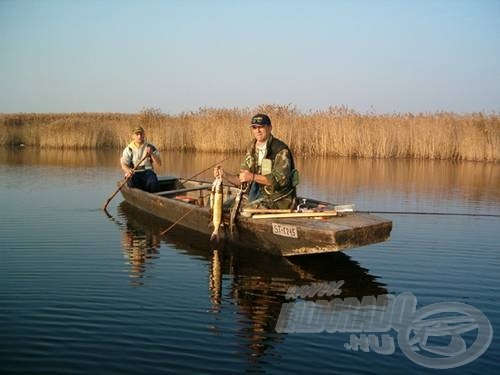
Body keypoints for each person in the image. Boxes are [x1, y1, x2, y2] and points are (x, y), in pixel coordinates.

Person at [215, 114, 298, 209]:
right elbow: (243, 179)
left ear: (270, 128)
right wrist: (225, 175)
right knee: (224, 206)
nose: (257, 131)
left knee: (246, 211)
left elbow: (279, 181)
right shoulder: (251, 147)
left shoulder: (281, 150)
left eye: (261, 127)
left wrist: (252, 177)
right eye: (254, 127)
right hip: (257, 196)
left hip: (279, 199)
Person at [120, 126, 162, 193]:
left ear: (144, 135)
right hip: (134, 172)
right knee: (131, 183)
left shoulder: (150, 147)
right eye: (137, 134)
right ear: (133, 136)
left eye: (141, 134)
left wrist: (152, 154)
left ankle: (154, 197)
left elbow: (159, 163)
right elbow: (123, 164)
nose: (139, 136)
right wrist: (128, 170)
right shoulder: (129, 149)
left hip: (148, 171)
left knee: (153, 183)